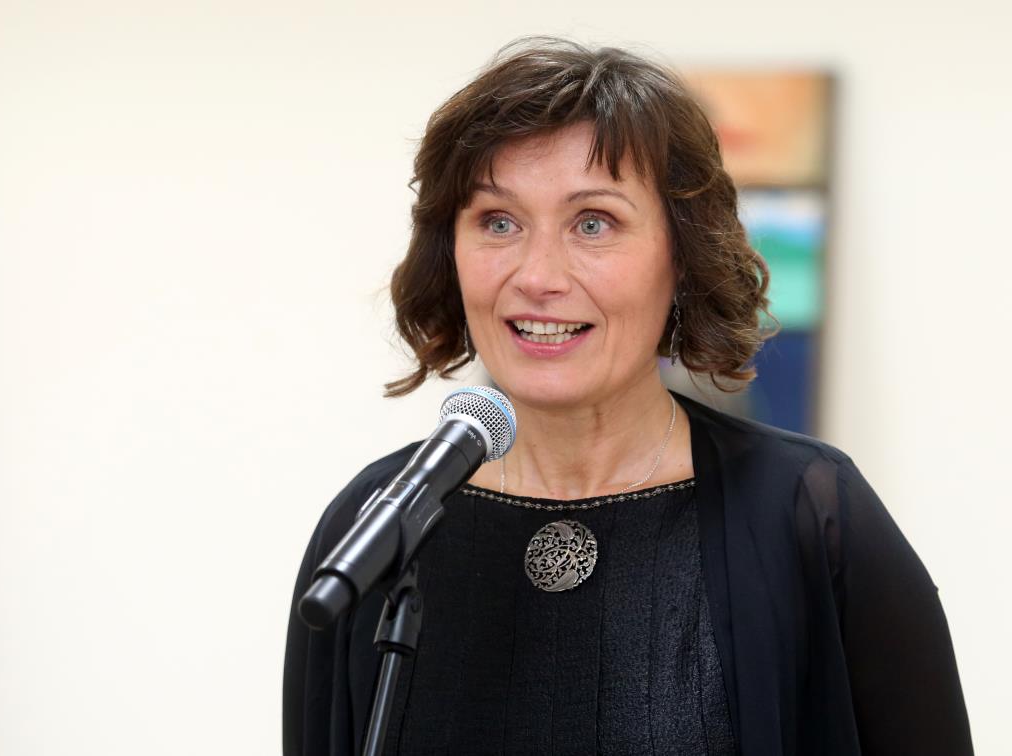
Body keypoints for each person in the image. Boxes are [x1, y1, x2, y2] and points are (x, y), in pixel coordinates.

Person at [283, 37, 972, 756]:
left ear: (682, 256)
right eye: (498, 222)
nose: (538, 276)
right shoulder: (370, 531)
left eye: (593, 223)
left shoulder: (808, 515)